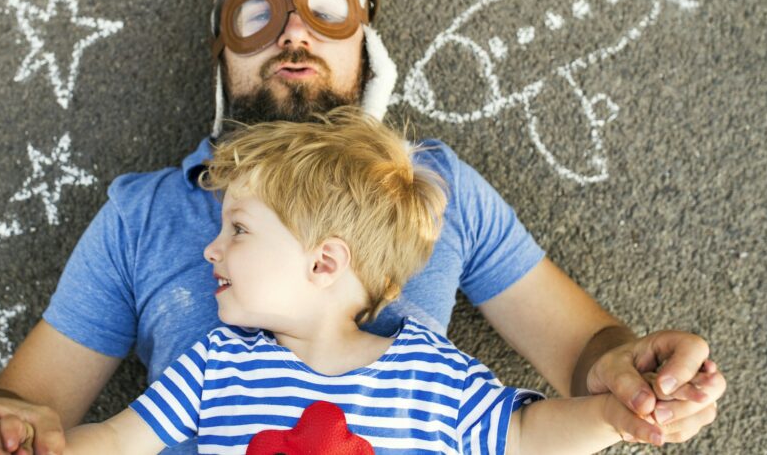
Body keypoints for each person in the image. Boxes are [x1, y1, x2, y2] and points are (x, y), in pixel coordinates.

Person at [0, 0, 724, 455]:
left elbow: (580, 358)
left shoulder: (434, 186)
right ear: (222, 55)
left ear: (366, 46)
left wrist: (633, 381)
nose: (293, 30)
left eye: (326, 8)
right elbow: (35, 409)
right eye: (255, 14)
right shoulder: (144, 214)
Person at [64, 108, 637, 455]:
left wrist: (612, 417)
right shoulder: (216, 364)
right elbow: (117, 440)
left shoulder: (433, 374)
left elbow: (526, 437)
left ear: (323, 263)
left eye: (238, 229)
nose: (210, 250)